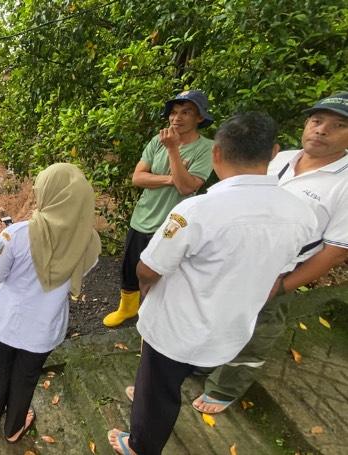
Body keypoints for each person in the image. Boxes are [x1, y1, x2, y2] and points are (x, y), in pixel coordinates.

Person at [108, 112, 318, 455]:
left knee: (158, 391)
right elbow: (282, 269)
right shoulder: (301, 214)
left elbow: (148, 268)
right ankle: (155, 391)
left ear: (217, 154)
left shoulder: (197, 211)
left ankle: (139, 445)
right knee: (180, 373)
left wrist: (148, 291)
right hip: (231, 329)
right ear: (274, 152)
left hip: (177, 328)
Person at [193, 92, 348, 414]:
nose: (321, 130)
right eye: (317, 121)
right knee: (216, 317)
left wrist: (281, 287)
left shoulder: (343, 183)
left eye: (338, 125)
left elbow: (334, 251)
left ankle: (224, 388)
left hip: (275, 274)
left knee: (256, 331)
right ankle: (205, 363)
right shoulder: (280, 159)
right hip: (231, 261)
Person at [0, 163, 101, 443]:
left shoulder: (16, 234)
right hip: (43, 328)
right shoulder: (89, 244)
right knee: (26, 378)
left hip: (4, 322)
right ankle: (14, 429)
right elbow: (77, 271)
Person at [103, 90, 215, 328]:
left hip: (172, 224)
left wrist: (173, 150)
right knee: (130, 268)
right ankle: (127, 308)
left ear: (199, 118)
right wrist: (170, 178)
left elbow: (186, 187)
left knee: (160, 274)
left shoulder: (206, 148)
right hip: (142, 216)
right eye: (174, 112)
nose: (177, 118)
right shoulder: (157, 140)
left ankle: (154, 319)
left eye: (186, 112)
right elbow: (137, 177)